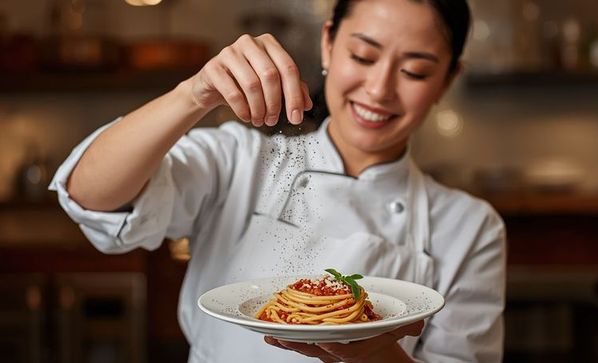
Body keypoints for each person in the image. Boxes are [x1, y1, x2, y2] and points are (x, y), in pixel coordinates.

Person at [50, 0, 506, 361]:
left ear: (447, 80)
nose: (379, 88)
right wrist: (195, 94)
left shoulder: (470, 227)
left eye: (415, 71)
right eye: (363, 55)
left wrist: (378, 355)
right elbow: (90, 195)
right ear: (328, 43)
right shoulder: (240, 158)